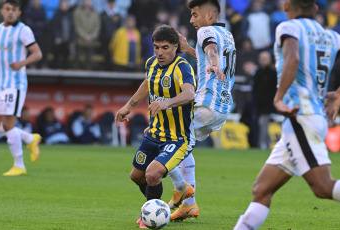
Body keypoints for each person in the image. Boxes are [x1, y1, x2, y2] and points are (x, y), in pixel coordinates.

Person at [234, 0, 340, 229]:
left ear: (285, 6)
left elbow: (292, 58)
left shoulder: (288, 27)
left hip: (300, 116)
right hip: (309, 117)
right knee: (261, 189)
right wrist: (338, 93)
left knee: (323, 187)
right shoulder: (332, 37)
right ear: (314, 9)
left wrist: (278, 97)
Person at [114, 25, 196, 229]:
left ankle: (151, 216)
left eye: (165, 47)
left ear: (176, 47)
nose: (160, 52)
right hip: (154, 133)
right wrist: (128, 107)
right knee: (136, 176)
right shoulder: (151, 63)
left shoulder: (182, 66)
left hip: (176, 138)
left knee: (152, 174)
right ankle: (156, 209)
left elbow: (190, 94)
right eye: (156, 47)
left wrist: (166, 102)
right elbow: (147, 84)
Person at [167, 0, 236, 221]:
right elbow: (207, 53)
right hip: (222, 108)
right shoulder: (227, 34)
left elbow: (211, 51)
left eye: (195, 15)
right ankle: (189, 206)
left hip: (206, 103)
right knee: (185, 144)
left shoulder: (206, 31)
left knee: (162, 139)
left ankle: (181, 188)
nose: (191, 20)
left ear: (208, 15)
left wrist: (213, 61)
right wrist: (188, 49)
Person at [0, 0, 43, 176]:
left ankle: (19, 165)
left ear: (19, 13)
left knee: (8, 124)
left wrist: (22, 63)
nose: (10, 13)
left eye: (13, 10)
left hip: (15, 84)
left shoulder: (24, 30)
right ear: (2, 11)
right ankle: (30, 138)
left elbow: (37, 53)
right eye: (7, 9)